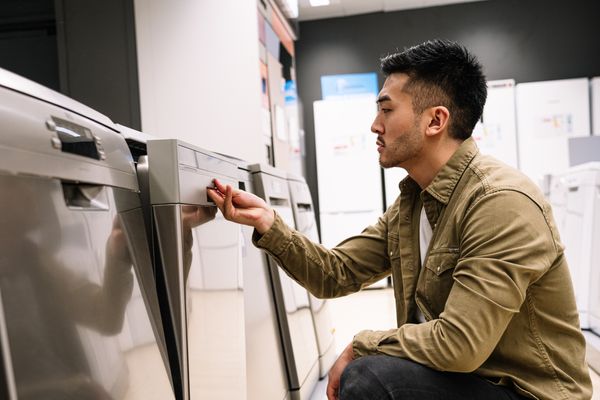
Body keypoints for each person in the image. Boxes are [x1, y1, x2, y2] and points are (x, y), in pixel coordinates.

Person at [207, 39, 592, 400]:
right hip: (468, 379)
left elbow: (459, 344)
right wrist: (268, 223)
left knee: (370, 378)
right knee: (374, 372)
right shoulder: (413, 204)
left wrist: (362, 344)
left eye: (387, 109)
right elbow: (334, 273)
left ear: (435, 121)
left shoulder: (500, 202)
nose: (375, 125)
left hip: (526, 391)